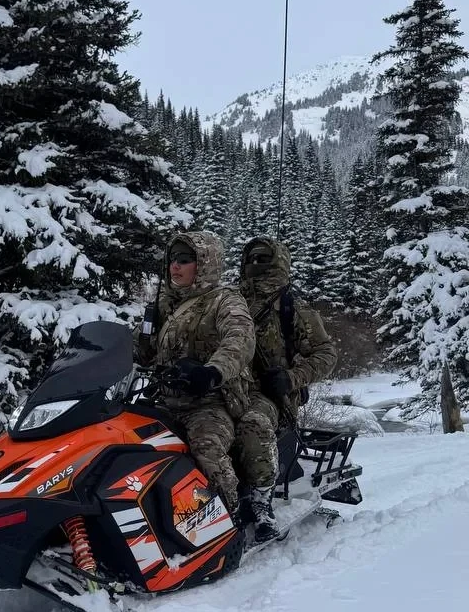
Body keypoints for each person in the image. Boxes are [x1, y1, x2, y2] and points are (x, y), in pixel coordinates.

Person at [135, 231, 255, 514]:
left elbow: (240, 339)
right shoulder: (164, 303)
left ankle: (229, 513)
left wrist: (212, 371)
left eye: (185, 259)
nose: (175, 266)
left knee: (206, 448)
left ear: (204, 263)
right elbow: (139, 349)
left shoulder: (225, 301)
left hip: (209, 402)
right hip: (164, 399)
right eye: (172, 258)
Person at [234, 236, 338, 542]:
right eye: (251, 259)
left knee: (252, 424)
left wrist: (292, 378)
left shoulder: (291, 309)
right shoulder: (229, 301)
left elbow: (326, 354)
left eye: (262, 259)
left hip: (270, 395)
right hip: (227, 387)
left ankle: (261, 500)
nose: (255, 265)